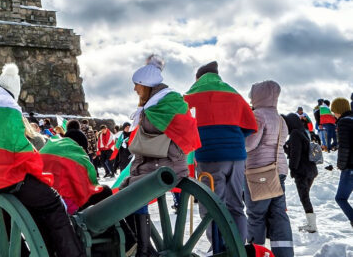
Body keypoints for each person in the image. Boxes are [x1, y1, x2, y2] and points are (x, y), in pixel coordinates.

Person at [0, 63, 84, 256]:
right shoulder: (9, 108)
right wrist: (37, 169)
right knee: (52, 202)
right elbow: (21, 148)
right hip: (6, 180)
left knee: (6, 218)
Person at [124, 55, 198, 257]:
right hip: (167, 162)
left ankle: (142, 247)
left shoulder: (159, 108)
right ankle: (141, 245)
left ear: (146, 85)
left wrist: (144, 113)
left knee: (129, 197)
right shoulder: (167, 103)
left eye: (137, 85)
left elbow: (151, 129)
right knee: (125, 193)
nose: (135, 90)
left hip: (163, 165)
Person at [184, 61, 257, 247]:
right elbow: (250, 125)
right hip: (237, 157)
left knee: (212, 206)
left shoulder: (191, 95)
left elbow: (183, 125)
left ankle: (220, 248)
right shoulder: (233, 93)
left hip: (209, 156)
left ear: (198, 77)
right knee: (236, 205)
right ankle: (238, 247)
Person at [244, 80, 292, 257]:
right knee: (278, 214)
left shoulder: (257, 116)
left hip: (258, 171)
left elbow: (250, 144)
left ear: (258, 96)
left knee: (256, 215)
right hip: (278, 171)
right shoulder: (280, 119)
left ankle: (256, 253)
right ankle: (284, 253)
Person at [282, 113, 318, 233]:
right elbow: (297, 151)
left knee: (304, 197)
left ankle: (312, 225)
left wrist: (292, 169)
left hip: (302, 170)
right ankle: (311, 223)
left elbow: (295, 154)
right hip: (311, 169)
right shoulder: (303, 132)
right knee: (305, 197)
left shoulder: (294, 134)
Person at [331, 97, 353, 227]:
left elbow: (344, 147)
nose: (333, 114)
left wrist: (341, 165)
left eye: (334, 111)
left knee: (340, 198)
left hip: (350, 167)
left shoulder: (344, 122)